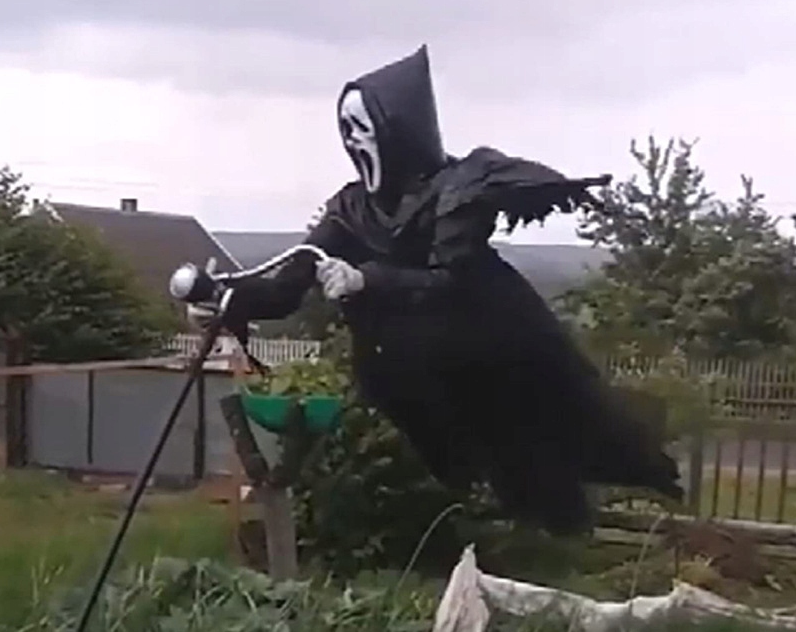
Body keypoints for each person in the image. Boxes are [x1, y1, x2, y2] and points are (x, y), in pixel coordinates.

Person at [174, 45, 683, 535]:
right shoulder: (352, 209)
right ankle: (473, 502)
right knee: (407, 392)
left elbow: (454, 282)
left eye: (362, 128)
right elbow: (288, 286)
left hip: (494, 336)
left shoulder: (455, 190)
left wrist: (367, 278)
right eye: (346, 129)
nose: (353, 141)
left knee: (555, 437)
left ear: (396, 128)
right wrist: (227, 300)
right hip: (420, 366)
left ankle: (560, 529)